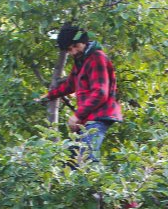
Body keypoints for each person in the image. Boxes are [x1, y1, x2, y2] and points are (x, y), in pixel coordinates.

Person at [36, 25, 123, 164]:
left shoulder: (97, 57)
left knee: (86, 159)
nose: (74, 51)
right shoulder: (81, 61)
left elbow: (100, 92)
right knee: (72, 161)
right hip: (88, 118)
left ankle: (94, 183)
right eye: (70, 49)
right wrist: (49, 96)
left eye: (75, 46)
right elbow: (70, 85)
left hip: (100, 116)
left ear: (83, 41)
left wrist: (77, 115)